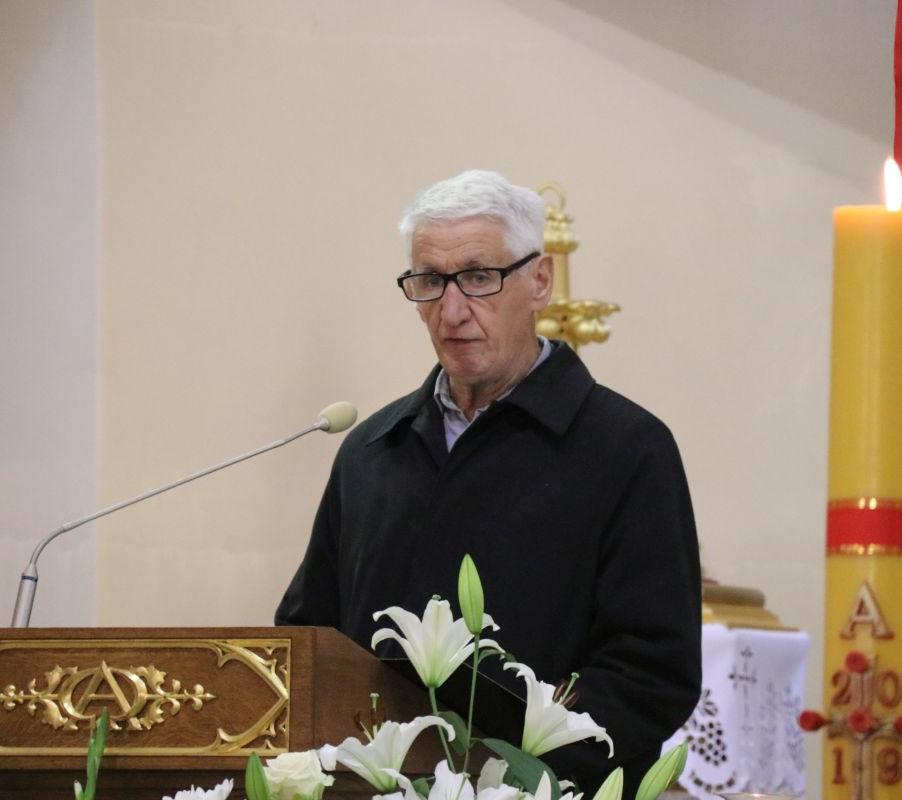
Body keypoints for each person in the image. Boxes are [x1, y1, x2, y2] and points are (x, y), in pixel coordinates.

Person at [276, 169, 701, 792]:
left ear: (539, 281)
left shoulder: (627, 448)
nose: (451, 311)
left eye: (479, 277)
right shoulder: (372, 452)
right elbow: (306, 642)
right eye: (429, 281)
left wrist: (509, 767)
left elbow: (652, 673)